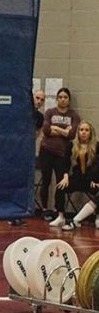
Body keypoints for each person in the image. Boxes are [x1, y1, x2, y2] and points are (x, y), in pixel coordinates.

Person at [38, 87, 80, 221]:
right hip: (46, 151)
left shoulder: (73, 115)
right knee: (46, 181)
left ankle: (58, 211)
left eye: (65, 97)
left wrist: (55, 128)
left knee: (60, 182)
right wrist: (63, 131)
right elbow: (46, 130)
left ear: (69, 100)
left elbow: (72, 134)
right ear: (57, 99)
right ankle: (44, 209)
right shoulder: (50, 112)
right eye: (60, 97)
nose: (62, 99)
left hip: (62, 154)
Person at [9, 88, 46, 227]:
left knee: (26, 183)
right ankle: (11, 214)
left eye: (42, 99)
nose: (39, 101)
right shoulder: (22, 113)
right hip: (15, 152)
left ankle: (20, 214)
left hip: (28, 153)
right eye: (37, 98)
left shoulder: (40, 117)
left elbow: (36, 134)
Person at [53, 121, 99, 230]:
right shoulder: (72, 144)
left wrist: (96, 179)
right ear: (78, 132)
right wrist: (65, 176)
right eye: (81, 130)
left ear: (90, 133)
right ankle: (61, 216)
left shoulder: (96, 146)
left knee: (97, 191)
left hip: (91, 178)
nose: (83, 132)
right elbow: (65, 161)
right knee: (60, 186)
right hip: (77, 177)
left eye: (86, 130)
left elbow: (98, 165)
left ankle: (97, 217)